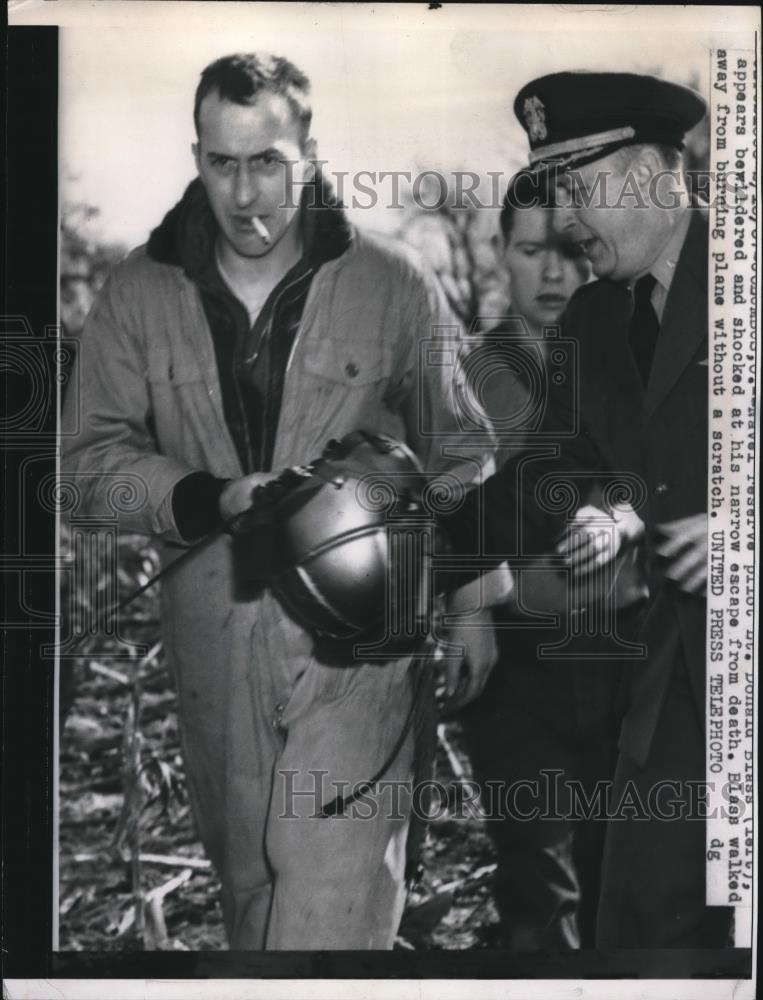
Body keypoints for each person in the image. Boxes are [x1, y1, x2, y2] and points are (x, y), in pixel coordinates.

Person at [61, 52, 498, 950]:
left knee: (331, 914)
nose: (245, 194)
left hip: (361, 643)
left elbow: (462, 451)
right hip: (213, 636)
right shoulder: (139, 295)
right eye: (222, 164)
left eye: (267, 162)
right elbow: (81, 466)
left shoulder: (392, 283)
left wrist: (472, 603)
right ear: (196, 158)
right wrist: (205, 495)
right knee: (252, 899)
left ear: (310, 151)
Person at [444, 70, 732, 948]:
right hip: (667, 699)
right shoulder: (595, 324)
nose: (564, 221)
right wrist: (423, 547)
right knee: (637, 931)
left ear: (649, 173)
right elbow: (555, 474)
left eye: (576, 186)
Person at [458, 175, 632, 951]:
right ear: (501, 253)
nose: (553, 272)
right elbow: (438, 503)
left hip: (623, 647)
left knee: (619, 879)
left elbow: (678, 477)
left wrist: (624, 520)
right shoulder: (459, 375)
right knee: (536, 885)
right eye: (532, 251)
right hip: (514, 659)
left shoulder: (627, 358)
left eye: (568, 249)